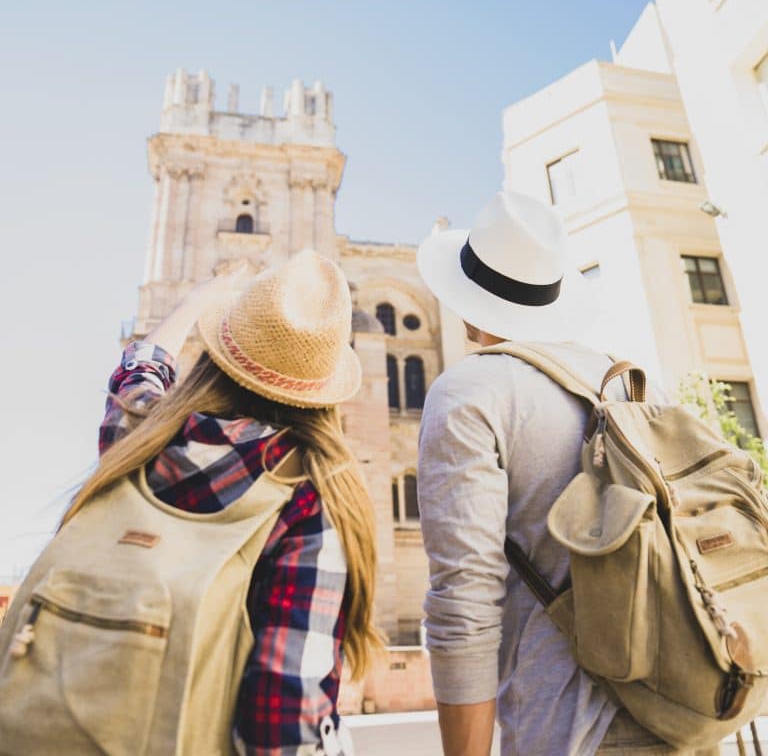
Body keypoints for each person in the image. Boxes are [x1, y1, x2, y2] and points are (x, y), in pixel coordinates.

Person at [415, 191, 716, 756]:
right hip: (685, 711)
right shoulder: (636, 383)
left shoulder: (468, 392)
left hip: (570, 730)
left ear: (466, 300)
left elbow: (464, 602)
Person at [61, 250, 380, 754]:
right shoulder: (311, 498)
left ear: (216, 358)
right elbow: (283, 731)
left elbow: (139, 371)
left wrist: (200, 298)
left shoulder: (140, 439)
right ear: (323, 392)